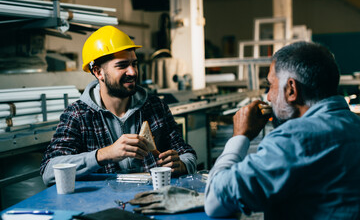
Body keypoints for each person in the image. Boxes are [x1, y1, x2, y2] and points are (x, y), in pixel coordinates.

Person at [205, 41, 360, 219]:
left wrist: (240, 136)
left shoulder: (294, 139)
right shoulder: (355, 125)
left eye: (271, 85)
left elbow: (214, 201)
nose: (269, 97)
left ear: (291, 89)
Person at [40, 26, 197, 186]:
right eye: (122, 66)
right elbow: (49, 172)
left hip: (153, 199)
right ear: (98, 72)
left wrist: (182, 165)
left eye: (134, 64)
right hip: (100, 206)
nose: (133, 72)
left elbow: (187, 153)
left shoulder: (156, 107)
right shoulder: (78, 115)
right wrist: (104, 154)